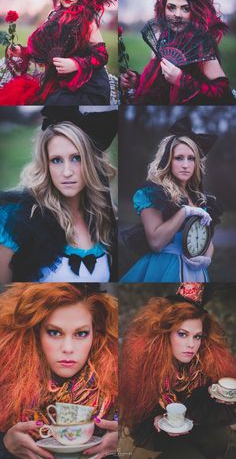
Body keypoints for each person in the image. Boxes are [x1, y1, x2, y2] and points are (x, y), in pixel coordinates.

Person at [0, 282, 118, 459]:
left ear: (96, 334)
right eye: (54, 332)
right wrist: (5, 445)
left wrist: (122, 443)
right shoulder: (6, 384)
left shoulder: (118, 384)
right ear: (36, 332)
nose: (68, 348)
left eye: (81, 333)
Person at [0, 107, 117, 283]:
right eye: (56, 160)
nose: (67, 172)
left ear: (91, 162)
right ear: (46, 166)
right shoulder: (18, 219)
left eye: (76, 158)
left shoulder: (106, 218)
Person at [120, 283, 236, 459]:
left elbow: (204, 410)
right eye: (182, 334)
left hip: (191, 428)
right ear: (166, 333)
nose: (191, 344)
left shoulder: (204, 361)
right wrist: (156, 420)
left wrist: (217, 398)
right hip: (153, 438)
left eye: (197, 336)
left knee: (218, 439)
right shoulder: (146, 363)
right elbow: (136, 416)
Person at [120, 0, 235, 105]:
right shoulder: (160, 37)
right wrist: (136, 82)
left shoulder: (200, 45)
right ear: (163, 8)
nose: (177, 15)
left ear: (194, 11)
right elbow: (156, 86)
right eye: (171, 7)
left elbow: (222, 93)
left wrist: (181, 79)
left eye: (185, 8)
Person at [120, 116, 221, 282]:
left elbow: (206, 240)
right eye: (179, 158)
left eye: (191, 158)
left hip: (197, 273)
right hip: (164, 268)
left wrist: (207, 258)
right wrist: (184, 212)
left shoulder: (201, 199)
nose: (186, 165)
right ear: (168, 159)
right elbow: (156, 243)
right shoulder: (153, 194)